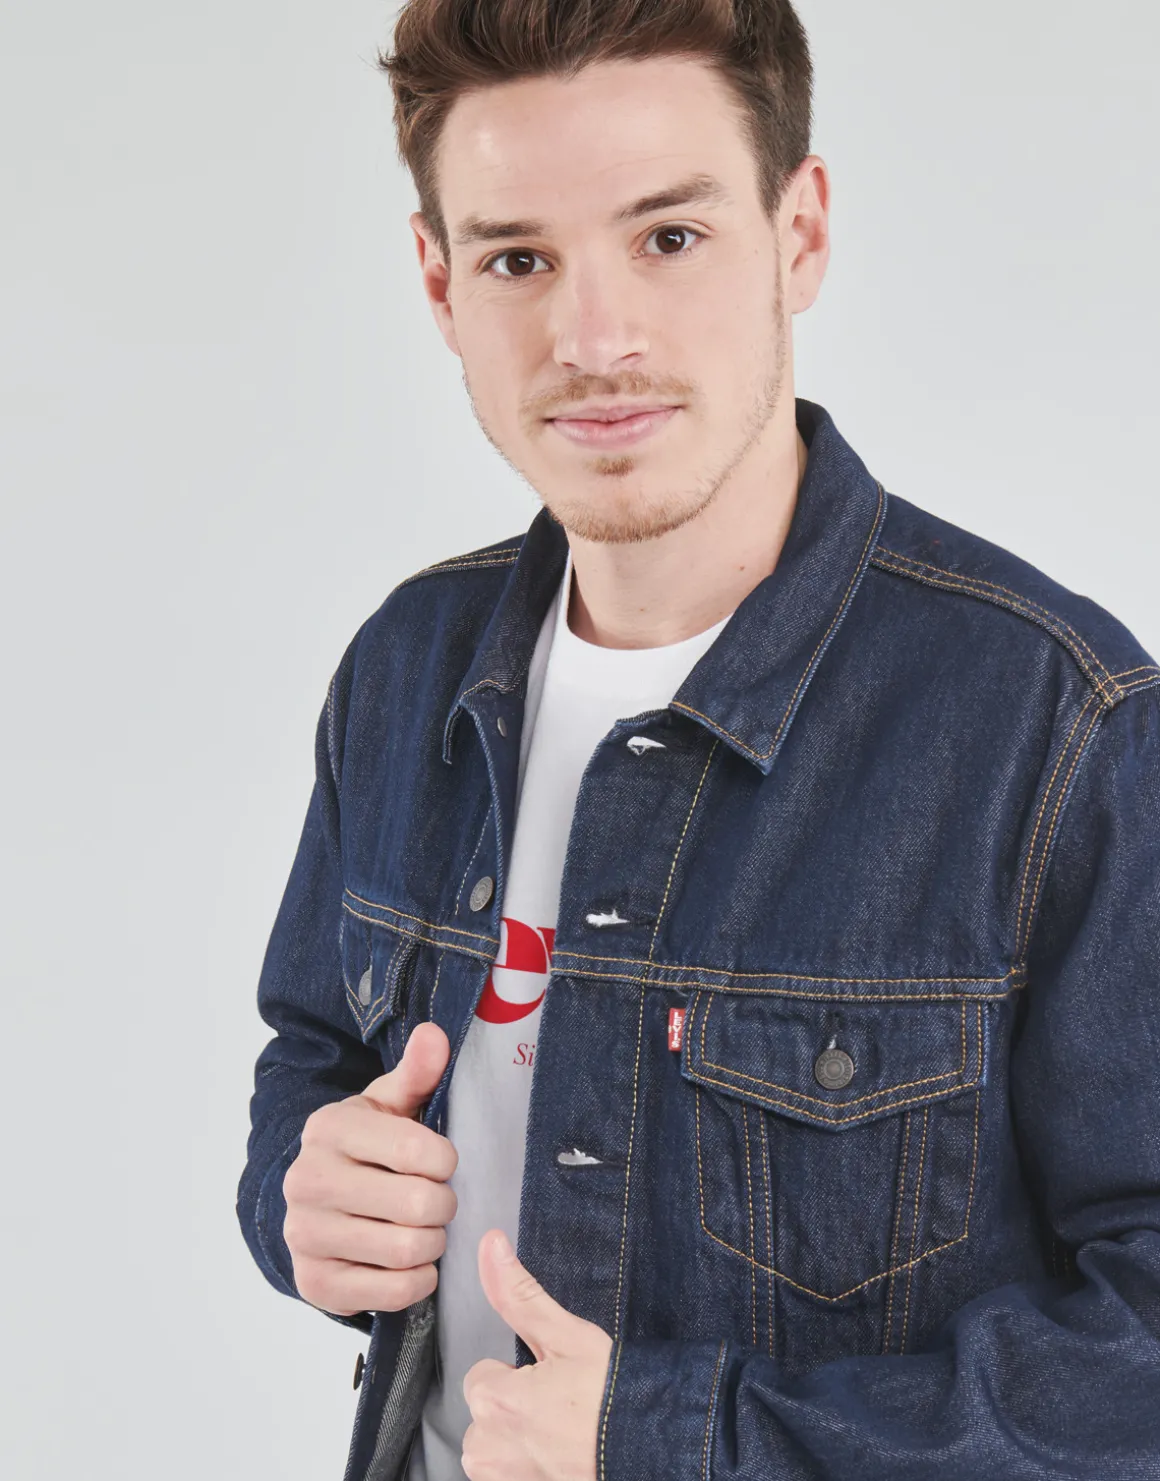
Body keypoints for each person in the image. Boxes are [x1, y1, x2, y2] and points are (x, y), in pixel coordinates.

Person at [236, 3, 1160, 1479]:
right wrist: (306, 1191)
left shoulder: (1059, 727)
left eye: (669, 238)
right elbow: (316, 1054)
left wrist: (685, 1441)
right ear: (439, 282)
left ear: (800, 235)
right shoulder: (405, 671)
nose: (593, 340)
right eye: (519, 259)